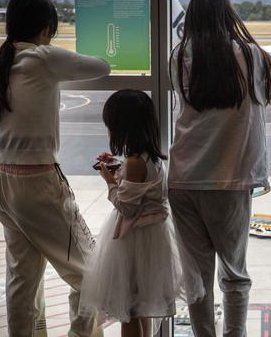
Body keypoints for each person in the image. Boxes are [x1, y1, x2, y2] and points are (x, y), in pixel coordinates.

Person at [0, 0, 109, 337]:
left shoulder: (1, 61)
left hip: (3, 184)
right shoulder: (42, 58)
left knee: (23, 280)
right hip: (37, 185)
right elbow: (102, 67)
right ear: (44, 29)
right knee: (91, 273)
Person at [167, 0, 271, 337]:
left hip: (184, 177)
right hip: (228, 179)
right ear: (229, 16)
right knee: (234, 273)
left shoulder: (178, 56)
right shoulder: (253, 56)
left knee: (197, 276)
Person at [79, 89, 203, 337]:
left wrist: (110, 181)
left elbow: (127, 207)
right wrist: (119, 169)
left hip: (135, 241)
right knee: (141, 309)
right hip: (152, 238)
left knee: (129, 311)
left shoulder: (134, 163)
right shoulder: (153, 159)